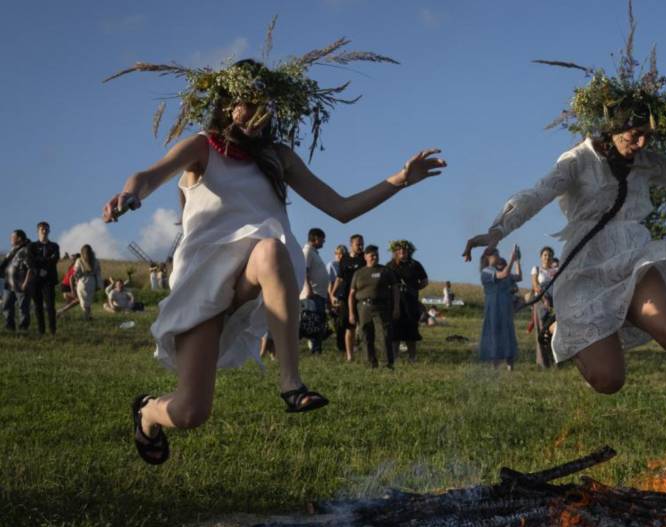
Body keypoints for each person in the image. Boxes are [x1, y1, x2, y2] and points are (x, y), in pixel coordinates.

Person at [104, 44, 446, 465]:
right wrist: (128, 196)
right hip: (202, 287)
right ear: (230, 106)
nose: (257, 113)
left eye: (264, 105)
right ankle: (148, 411)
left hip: (251, 278)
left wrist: (398, 180)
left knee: (270, 247)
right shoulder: (202, 148)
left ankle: (291, 384)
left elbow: (341, 208)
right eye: (248, 104)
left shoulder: (278, 158)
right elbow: (148, 175)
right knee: (191, 412)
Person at [462, 31, 666, 449]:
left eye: (648, 135)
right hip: (587, 269)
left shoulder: (644, 161)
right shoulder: (577, 160)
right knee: (609, 381)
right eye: (634, 134)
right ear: (613, 126)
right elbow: (537, 194)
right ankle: (566, 334)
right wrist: (497, 229)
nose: (641, 143)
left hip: (633, 257)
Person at [348, 245, 399, 369]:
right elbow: (352, 294)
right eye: (372, 255)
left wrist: (396, 307)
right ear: (365, 257)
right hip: (363, 307)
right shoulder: (359, 273)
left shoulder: (385, 271)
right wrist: (351, 313)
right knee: (365, 336)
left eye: (376, 255)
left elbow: (395, 289)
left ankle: (387, 364)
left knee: (384, 335)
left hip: (381, 307)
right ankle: (370, 363)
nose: (375, 257)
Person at [479, 246, 522, 370]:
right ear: (488, 257)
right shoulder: (486, 271)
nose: (498, 258)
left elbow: (519, 277)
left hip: (505, 306)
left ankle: (510, 366)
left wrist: (517, 260)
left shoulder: (501, 271)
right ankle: (495, 366)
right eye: (496, 255)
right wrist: (512, 259)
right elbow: (503, 274)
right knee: (494, 334)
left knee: (507, 333)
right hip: (493, 307)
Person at [387, 239, 428, 363]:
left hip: (411, 302)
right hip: (395, 303)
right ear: (395, 251)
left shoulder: (415, 264)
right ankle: (394, 357)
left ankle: (412, 358)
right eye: (399, 249)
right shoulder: (390, 265)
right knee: (395, 332)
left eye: (404, 249)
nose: (402, 251)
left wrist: (414, 288)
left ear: (409, 251)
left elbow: (425, 281)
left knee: (411, 331)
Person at [333, 234, 365, 360]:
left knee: (363, 326)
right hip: (346, 296)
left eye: (362, 244)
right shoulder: (344, 259)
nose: (361, 246)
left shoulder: (364, 259)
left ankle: (365, 353)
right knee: (349, 326)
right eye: (358, 244)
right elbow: (339, 278)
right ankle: (349, 355)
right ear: (351, 244)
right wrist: (333, 293)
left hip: (361, 295)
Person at [300, 228, 329, 354]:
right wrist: (308, 288)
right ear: (316, 238)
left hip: (320, 294)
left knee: (319, 323)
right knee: (312, 323)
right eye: (323, 238)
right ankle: (314, 350)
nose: (324, 241)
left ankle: (317, 350)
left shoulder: (314, 253)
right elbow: (304, 271)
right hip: (313, 294)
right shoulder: (307, 252)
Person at [29, 222, 61, 335]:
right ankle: (41, 330)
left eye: (46, 229)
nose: (44, 231)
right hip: (36, 279)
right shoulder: (32, 246)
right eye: (42, 229)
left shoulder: (54, 246)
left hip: (49, 279)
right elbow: (31, 261)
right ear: (38, 231)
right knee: (38, 306)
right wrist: (43, 263)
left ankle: (53, 330)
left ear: (49, 230)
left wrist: (42, 263)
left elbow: (55, 259)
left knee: (50, 305)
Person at [530, 246, 558, 368]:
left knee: (555, 331)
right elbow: (535, 285)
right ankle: (542, 363)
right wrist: (544, 299)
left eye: (550, 255)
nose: (547, 257)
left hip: (554, 302)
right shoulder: (536, 269)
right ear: (541, 257)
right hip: (541, 302)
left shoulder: (556, 271)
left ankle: (555, 360)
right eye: (545, 255)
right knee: (541, 331)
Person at [2, 230, 33, 331]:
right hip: (9, 284)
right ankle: (9, 327)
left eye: (12, 237)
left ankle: (23, 329)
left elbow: (30, 268)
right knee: (6, 305)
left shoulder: (26, 250)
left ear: (19, 238)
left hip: (21, 284)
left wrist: (25, 283)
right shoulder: (12, 250)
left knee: (23, 308)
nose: (10, 239)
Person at [73, 244, 102, 321]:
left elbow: (76, 274)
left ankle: (86, 317)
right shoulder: (96, 261)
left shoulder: (79, 260)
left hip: (82, 282)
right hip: (92, 282)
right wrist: (99, 284)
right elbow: (98, 274)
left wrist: (76, 282)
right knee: (88, 302)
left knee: (83, 302)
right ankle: (88, 316)